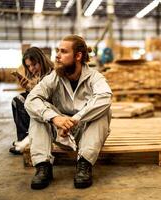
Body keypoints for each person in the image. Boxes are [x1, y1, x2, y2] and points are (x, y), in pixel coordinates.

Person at [24, 35, 112, 190]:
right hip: (60, 132)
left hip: (85, 133)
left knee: (103, 110)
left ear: (78, 56)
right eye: (58, 51)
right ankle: (43, 166)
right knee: (38, 110)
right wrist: (55, 118)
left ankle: (84, 164)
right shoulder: (54, 77)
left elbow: (105, 98)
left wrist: (75, 119)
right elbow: (31, 99)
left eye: (63, 51)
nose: (57, 55)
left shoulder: (95, 77)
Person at [10, 47, 53, 154]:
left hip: (52, 109)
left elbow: (46, 98)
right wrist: (28, 87)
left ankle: (28, 141)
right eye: (28, 66)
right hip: (45, 103)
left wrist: (29, 88)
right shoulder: (40, 74)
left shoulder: (52, 74)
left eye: (34, 64)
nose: (31, 69)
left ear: (41, 60)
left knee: (21, 101)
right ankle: (24, 138)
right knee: (18, 100)